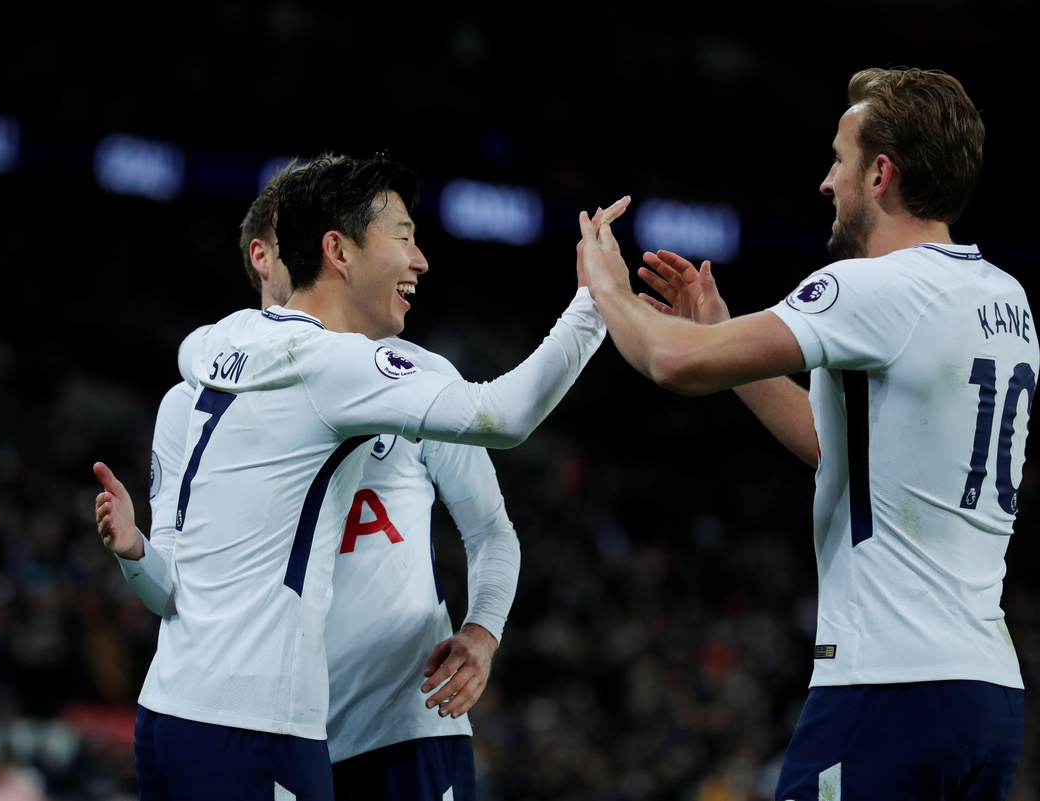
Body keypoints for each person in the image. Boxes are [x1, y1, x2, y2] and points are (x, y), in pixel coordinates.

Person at [97, 152, 619, 800]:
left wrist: (482, 630)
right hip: (270, 720)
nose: (420, 259)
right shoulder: (275, 375)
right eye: (403, 236)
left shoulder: (224, 352)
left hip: (391, 724)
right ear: (310, 251)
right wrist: (596, 303)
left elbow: (491, 530)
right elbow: (506, 414)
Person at [579, 68, 1031, 798]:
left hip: (887, 687)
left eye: (839, 159)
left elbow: (671, 362)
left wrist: (604, 286)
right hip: (987, 695)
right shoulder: (1005, 298)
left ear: (880, 174)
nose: (827, 181)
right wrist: (723, 332)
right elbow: (845, 448)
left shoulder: (875, 286)